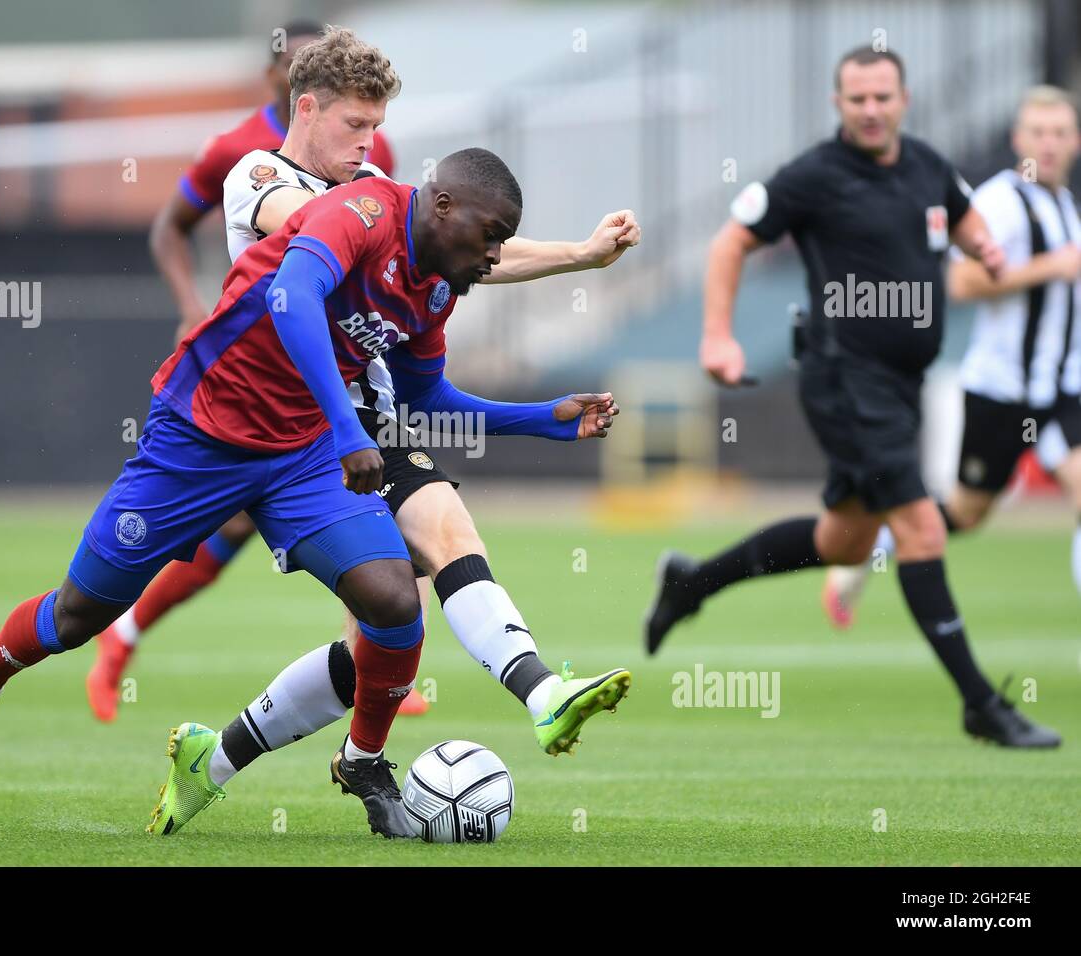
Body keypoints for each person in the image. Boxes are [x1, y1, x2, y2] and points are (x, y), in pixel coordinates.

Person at [90, 30, 640, 792]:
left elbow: (462, 249)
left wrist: (577, 256)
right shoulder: (260, 176)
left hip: (363, 422)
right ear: (307, 108)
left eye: (377, 127)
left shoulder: (377, 193)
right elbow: (353, 232)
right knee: (388, 595)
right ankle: (437, 729)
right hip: (295, 424)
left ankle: (220, 763)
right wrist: (420, 225)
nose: (369, 143)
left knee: (379, 635)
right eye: (356, 125)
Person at [642, 46, 1060, 748]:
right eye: (857, 98)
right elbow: (730, 242)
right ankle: (981, 703)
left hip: (901, 387)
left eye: (882, 97)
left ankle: (693, 583)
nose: (871, 109)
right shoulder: (814, 175)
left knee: (845, 542)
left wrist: (985, 249)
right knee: (923, 528)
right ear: (839, 104)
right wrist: (718, 337)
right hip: (843, 380)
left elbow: (961, 217)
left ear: (904, 100)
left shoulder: (929, 164)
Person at [86, 20, 397, 722]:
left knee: (376, 534)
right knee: (233, 530)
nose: (366, 133)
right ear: (289, 86)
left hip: (327, 383)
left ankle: (376, 668)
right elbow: (168, 227)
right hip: (250, 379)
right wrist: (193, 305)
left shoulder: (365, 150)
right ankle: (120, 634)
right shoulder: (240, 156)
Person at [823, 85, 1081, 627]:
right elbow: (960, 282)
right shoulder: (1001, 201)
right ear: (1017, 138)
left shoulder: (1063, 204)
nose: (1049, 144)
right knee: (967, 510)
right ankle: (881, 543)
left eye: (1059, 133)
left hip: (1061, 390)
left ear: (1075, 140)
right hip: (1003, 389)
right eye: (1039, 132)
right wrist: (1050, 266)